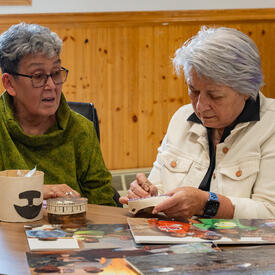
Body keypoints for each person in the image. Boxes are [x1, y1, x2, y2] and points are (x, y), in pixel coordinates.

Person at [120, 26, 275, 219]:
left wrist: (206, 203)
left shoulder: (271, 125)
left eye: (215, 95)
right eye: (193, 90)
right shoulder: (181, 119)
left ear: (246, 90)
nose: (200, 106)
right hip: (178, 245)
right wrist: (146, 195)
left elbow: (270, 212)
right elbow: (158, 188)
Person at [0, 23, 116, 206]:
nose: (52, 86)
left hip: (71, 231)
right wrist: (35, 191)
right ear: (10, 84)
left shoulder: (81, 130)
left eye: (55, 73)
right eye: (38, 76)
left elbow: (103, 203)